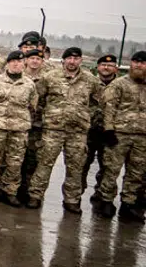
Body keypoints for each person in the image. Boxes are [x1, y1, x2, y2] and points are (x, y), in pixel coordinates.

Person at [28, 46, 98, 213]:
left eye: (76, 58)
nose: (72, 61)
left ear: (81, 60)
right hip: (53, 129)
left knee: (75, 167)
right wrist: (45, 117)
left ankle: (72, 200)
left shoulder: (90, 80)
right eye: (69, 58)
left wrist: (85, 116)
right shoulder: (50, 77)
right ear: (63, 60)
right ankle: (35, 195)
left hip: (78, 132)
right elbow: (38, 100)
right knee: (44, 163)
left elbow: (97, 102)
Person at [0, 50, 38, 206]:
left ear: (24, 64)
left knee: (15, 162)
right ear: (8, 63)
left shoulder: (29, 84)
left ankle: (10, 191)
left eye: (19, 61)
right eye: (13, 61)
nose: (16, 64)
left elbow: (33, 106)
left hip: (19, 129)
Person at [97, 51, 146, 221]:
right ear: (130, 64)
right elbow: (109, 108)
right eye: (135, 62)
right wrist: (109, 130)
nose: (139, 65)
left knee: (136, 173)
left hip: (142, 137)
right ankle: (106, 200)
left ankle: (128, 204)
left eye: (142, 62)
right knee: (111, 169)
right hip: (120, 134)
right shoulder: (119, 84)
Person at [86, 53, 120, 198]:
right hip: (89, 130)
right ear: (98, 67)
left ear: (116, 68)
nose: (106, 67)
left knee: (108, 167)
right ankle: (74, 196)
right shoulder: (89, 83)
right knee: (81, 165)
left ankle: (102, 195)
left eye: (110, 65)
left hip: (110, 133)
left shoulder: (120, 86)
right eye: (103, 65)